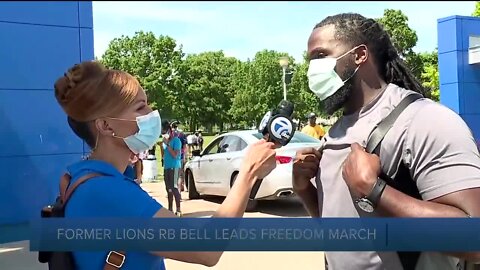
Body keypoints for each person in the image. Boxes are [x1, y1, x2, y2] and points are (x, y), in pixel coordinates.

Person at [293, 13, 480, 270]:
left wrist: (375, 190)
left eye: (320, 56)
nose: (312, 70)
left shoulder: (425, 120)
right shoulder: (334, 133)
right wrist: (305, 190)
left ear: (359, 55)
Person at [54, 61, 277, 269]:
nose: (152, 114)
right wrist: (248, 172)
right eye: (140, 107)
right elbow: (206, 249)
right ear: (105, 125)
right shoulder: (108, 191)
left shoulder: (84, 178)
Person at [161, 126, 183, 216]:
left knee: (174, 187)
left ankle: (178, 209)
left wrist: (168, 145)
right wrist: (163, 147)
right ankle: (170, 209)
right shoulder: (164, 142)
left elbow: (175, 155)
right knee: (168, 189)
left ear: (169, 131)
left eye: (165, 132)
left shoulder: (176, 141)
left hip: (174, 167)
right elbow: (163, 155)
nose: (164, 134)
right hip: (167, 167)